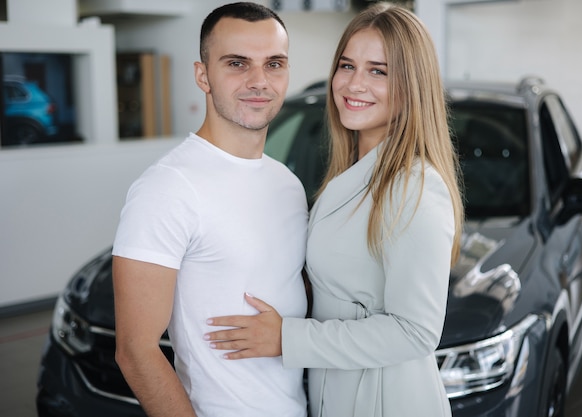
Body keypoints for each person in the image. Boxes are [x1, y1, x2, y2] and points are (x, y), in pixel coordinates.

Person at [204, 3, 464, 417]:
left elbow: (416, 332)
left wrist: (288, 338)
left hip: (387, 401)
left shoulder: (415, 188)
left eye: (378, 71)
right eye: (347, 65)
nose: (354, 84)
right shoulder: (353, 176)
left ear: (412, 87)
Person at [111, 3, 309, 417]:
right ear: (203, 75)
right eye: (237, 63)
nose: (259, 81)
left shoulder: (287, 184)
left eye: (274, 64)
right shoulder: (167, 187)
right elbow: (135, 351)